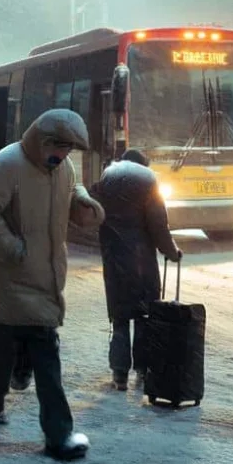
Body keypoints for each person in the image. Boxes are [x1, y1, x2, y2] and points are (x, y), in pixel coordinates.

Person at [0, 108, 104, 462]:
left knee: (6, 340)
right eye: (61, 148)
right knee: (45, 354)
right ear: (44, 142)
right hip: (14, 276)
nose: (65, 156)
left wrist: (83, 202)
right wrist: (12, 248)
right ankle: (59, 435)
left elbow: (71, 190)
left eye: (70, 150)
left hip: (45, 275)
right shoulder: (8, 163)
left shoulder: (62, 168)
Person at [89, 149, 181, 391]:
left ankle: (119, 375)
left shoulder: (105, 183)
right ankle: (142, 370)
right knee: (143, 318)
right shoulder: (148, 184)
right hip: (142, 264)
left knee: (119, 319)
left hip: (114, 262)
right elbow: (159, 226)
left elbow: (88, 210)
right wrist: (171, 252)